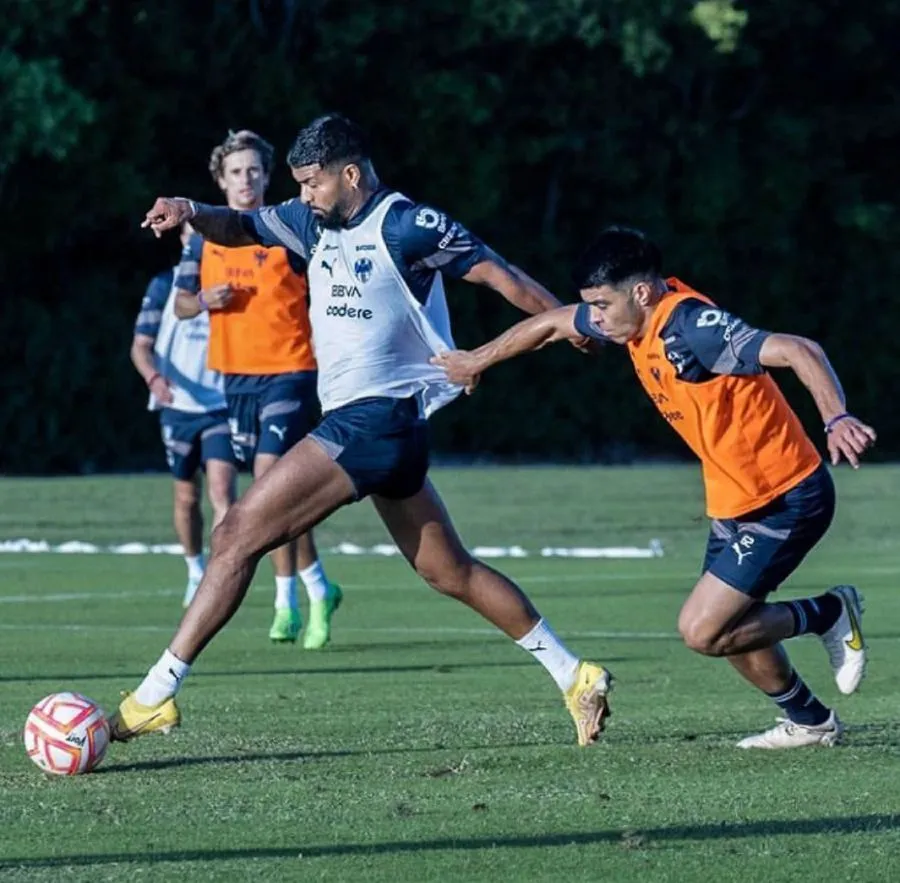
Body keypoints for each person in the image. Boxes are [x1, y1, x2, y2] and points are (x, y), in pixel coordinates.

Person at [110, 113, 612, 747]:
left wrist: (572, 325)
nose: (304, 195)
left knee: (236, 533)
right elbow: (237, 226)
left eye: (313, 182)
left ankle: (155, 694)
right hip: (385, 430)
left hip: (375, 419)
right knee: (447, 570)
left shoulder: (408, 224)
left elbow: (499, 274)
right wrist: (188, 207)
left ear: (350, 174)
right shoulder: (306, 220)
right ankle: (576, 675)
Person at [432, 225, 875, 750]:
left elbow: (801, 349)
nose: (593, 320)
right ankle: (809, 721)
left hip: (785, 498)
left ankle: (828, 612)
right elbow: (551, 324)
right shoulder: (631, 322)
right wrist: (477, 360)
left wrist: (835, 418)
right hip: (734, 499)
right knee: (733, 626)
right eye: (589, 307)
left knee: (703, 630)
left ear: (641, 292)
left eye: (601, 305)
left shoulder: (693, 328)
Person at [172, 129, 340, 648]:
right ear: (220, 182)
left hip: (292, 371)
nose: (246, 180)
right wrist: (203, 300)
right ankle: (318, 587)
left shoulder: (286, 229)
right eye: (235, 172)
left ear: (266, 178)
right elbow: (180, 305)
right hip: (236, 379)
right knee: (279, 501)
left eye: (253, 171)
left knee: (268, 482)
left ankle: (286, 602)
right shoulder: (203, 239)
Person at [130, 224, 237, 607]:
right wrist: (154, 378)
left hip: (221, 406)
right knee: (186, 497)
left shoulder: (232, 282)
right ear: (183, 240)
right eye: (194, 235)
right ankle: (195, 569)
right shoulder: (165, 285)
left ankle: (221, 574)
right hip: (177, 406)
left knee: (223, 491)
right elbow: (140, 347)